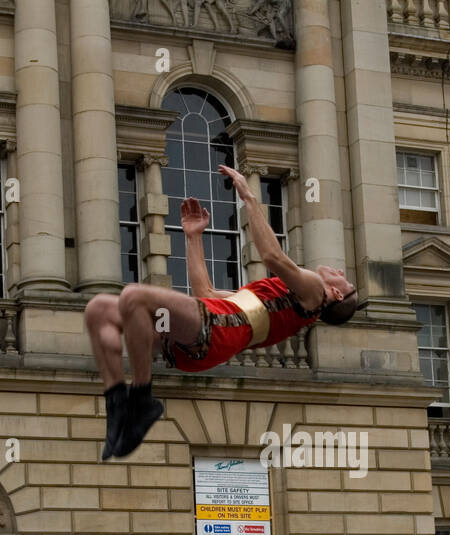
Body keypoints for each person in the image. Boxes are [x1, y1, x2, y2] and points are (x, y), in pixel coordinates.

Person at [86, 168, 362, 460]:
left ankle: (140, 399)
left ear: (337, 294)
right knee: (99, 310)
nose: (341, 272)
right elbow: (206, 293)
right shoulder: (271, 302)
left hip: (218, 331)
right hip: (200, 340)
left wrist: (249, 197)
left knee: (133, 295)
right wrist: (193, 237)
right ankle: (117, 406)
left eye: (346, 280)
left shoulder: (315, 293)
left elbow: (272, 256)